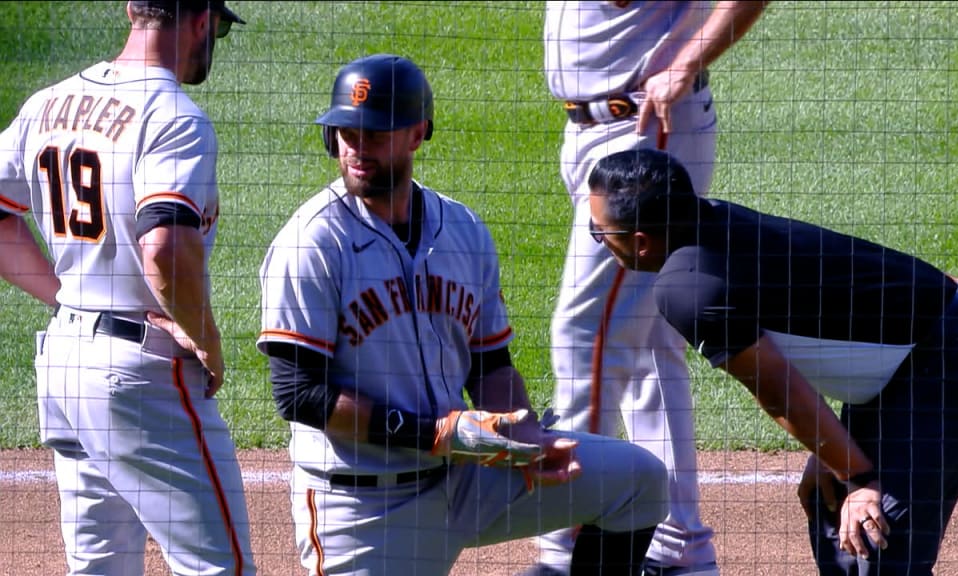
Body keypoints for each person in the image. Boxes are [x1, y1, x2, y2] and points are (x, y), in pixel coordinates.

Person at [255, 53, 669, 576]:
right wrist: (434, 431)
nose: (356, 147)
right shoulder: (311, 242)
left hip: (465, 480)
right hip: (363, 508)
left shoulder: (462, 230)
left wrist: (525, 440)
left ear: (418, 133)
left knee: (637, 481)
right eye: (345, 132)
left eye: (374, 132)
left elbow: (490, 364)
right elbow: (300, 393)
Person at [587, 148, 958, 575]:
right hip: (897, 360)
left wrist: (858, 476)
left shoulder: (687, 291)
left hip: (950, 352)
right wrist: (833, 456)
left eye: (599, 231)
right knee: (833, 521)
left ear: (639, 242)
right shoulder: (704, 227)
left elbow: (779, 393)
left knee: (874, 545)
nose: (599, 239)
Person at [0, 2, 254, 575]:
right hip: (140, 374)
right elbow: (163, 247)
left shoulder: (48, 102)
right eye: (217, 28)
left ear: (132, 10)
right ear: (198, 19)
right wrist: (205, 337)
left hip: (64, 361)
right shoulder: (173, 116)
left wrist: (66, 293)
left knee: (99, 569)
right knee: (219, 568)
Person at [536, 2, 770, 575]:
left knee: (584, 333)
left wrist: (687, 60)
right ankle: (679, 546)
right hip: (596, 133)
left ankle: (564, 545)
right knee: (644, 344)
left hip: (643, 130)